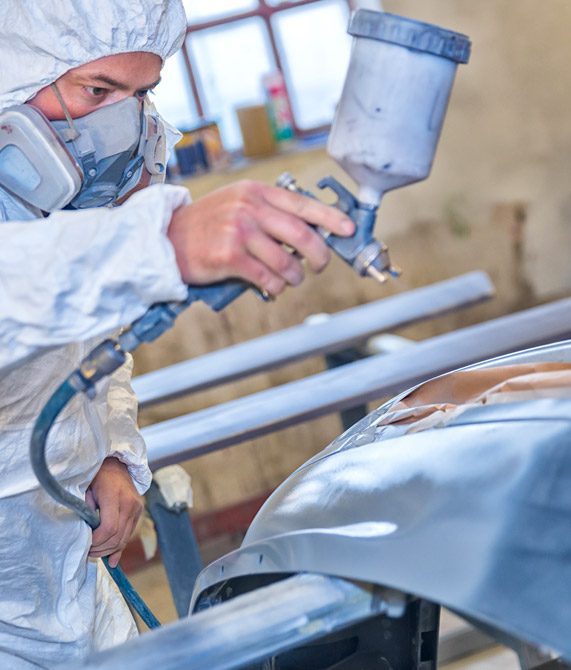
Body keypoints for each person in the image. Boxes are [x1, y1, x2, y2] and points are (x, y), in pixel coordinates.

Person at [0, 1, 354, 667]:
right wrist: (157, 243)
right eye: (98, 91)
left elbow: (92, 345)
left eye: (143, 94)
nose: (122, 127)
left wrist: (111, 450)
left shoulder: (59, 212)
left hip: (65, 572)